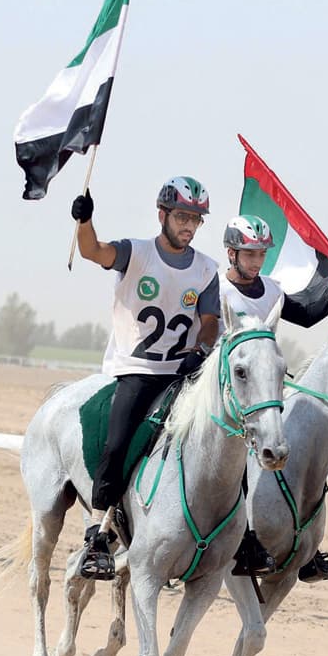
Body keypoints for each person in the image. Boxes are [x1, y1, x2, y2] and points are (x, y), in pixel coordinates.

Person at [71, 176, 220, 580]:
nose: (190, 226)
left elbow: (210, 321)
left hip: (183, 374)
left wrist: (201, 351)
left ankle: (237, 536)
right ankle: (96, 536)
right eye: (184, 217)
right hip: (137, 372)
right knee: (118, 443)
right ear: (163, 215)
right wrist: (84, 222)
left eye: (197, 219)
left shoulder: (207, 269)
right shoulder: (134, 253)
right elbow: (92, 251)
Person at [220, 213, 328, 582]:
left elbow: (305, 313)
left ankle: (305, 543)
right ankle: (245, 539)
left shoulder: (271, 289)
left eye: (260, 255)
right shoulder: (216, 289)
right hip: (223, 390)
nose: (256, 262)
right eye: (249, 254)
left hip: (264, 389)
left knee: (300, 448)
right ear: (231, 253)